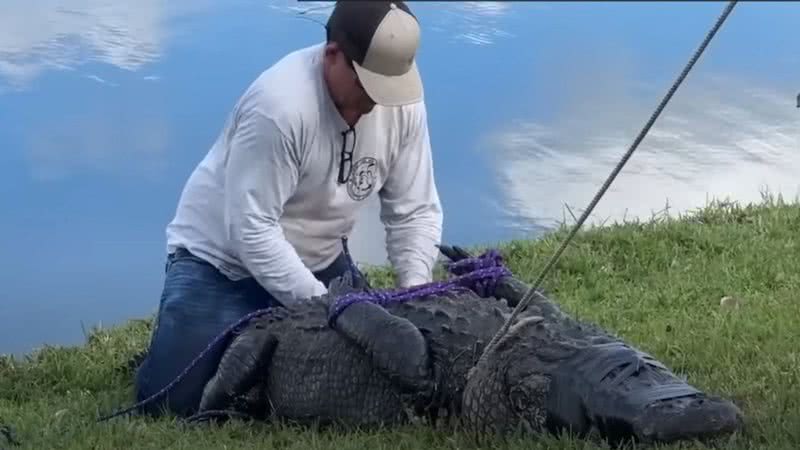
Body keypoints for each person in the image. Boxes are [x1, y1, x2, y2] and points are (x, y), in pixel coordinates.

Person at [133, 0, 443, 417]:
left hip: (320, 262)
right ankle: (186, 339)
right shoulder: (279, 107)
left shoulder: (402, 103)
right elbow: (253, 231)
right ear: (332, 54)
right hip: (222, 266)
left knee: (387, 376)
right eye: (368, 85)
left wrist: (413, 294)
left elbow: (415, 211)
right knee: (173, 405)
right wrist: (332, 309)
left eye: (389, 87)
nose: (377, 102)